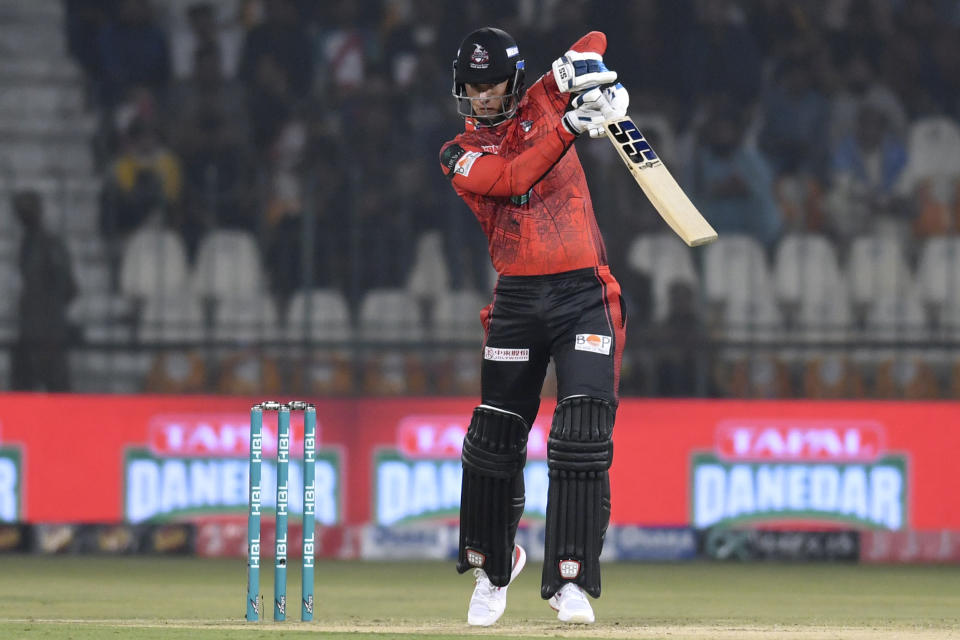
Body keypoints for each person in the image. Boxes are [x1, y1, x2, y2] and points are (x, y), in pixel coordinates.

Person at [438, 27, 629, 626]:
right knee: (494, 441)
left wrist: (585, 73)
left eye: (492, 84)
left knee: (580, 434)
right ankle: (495, 569)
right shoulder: (457, 153)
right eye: (472, 86)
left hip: (584, 293)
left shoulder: (544, 97)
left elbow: (593, 39)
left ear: (513, 80)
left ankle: (569, 579)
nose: (483, 97)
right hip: (517, 299)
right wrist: (572, 126)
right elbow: (511, 180)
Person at [10, 191, 78, 392]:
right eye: (20, 209)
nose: (23, 214)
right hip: (30, 327)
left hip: (49, 330)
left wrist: (48, 309)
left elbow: (68, 287)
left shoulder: (50, 244)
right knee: (22, 390)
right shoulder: (27, 243)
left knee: (58, 390)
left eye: (27, 208)